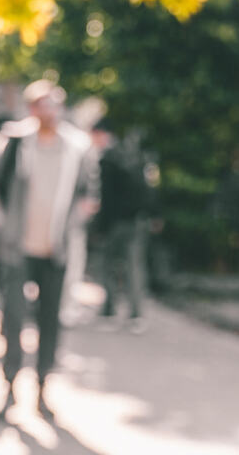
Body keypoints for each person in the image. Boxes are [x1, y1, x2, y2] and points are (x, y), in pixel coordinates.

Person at [0, 79, 98, 419]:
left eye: (55, 104)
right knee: (13, 318)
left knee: (50, 321)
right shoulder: (13, 141)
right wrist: (0, 225)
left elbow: (90, 195)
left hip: (55, 249)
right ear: (32, 108)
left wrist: (72, 227)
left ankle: (43, 389)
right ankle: (10, 386)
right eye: (43, 104)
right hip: (17, 248)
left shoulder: (76, 146)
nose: (50, 111)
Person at [89, 117, 151, 332]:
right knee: (134, 267)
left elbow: (106, 198)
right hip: (135, 220)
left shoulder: (107, 159)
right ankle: (136, 315)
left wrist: (99, 228)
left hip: (114, 222)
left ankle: (109, 310)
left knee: (107, 266)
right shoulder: (132, 156)